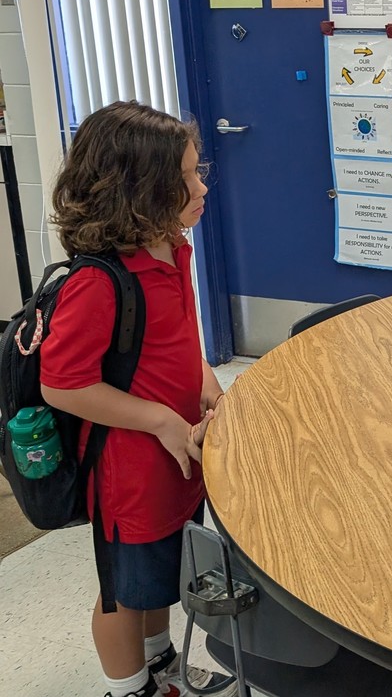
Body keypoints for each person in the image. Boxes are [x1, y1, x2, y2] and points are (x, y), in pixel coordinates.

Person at [39, 102, 235, 697]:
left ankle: (162, 668)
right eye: (187, 179)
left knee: (161, 579)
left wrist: (205, 382)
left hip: (176, 457)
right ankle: (129, 689)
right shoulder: (99, 283)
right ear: (138, 191)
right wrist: (157, 419)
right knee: (124, 593)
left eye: (200, 171)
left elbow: (179, 338)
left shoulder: (172, 248)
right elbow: (62, 382)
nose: (202, 187)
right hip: (129, 474)